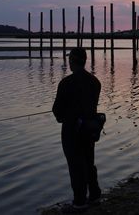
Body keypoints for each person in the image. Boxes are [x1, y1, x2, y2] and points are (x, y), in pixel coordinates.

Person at [52, 47, 102, 213]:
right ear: (85, 60)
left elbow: (57, 111)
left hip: (71, 132)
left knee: (75, 166)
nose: (69, 62)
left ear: (72, 61)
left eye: (70, 59)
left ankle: (79, 203)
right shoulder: (95, 82)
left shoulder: (65, 84)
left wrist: (64, 117)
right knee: (88, 163)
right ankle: (94, 195)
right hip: (89, 130)